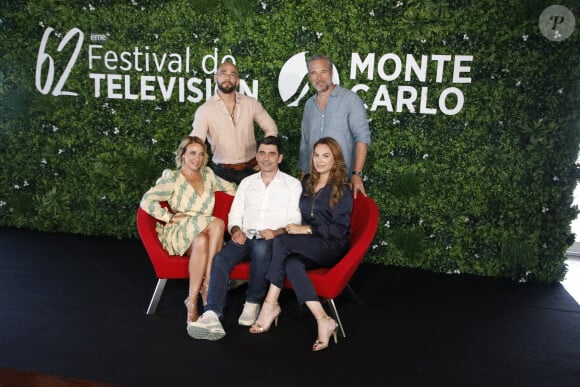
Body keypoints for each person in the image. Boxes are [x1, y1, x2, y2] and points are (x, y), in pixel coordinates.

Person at [187, 136, 302, 341]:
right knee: (221, 259)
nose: (266, 158)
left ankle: (253, 301)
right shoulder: (247, 183)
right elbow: (235, 213)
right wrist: (236, 230)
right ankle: (212, 313)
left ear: (280, 157)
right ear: (257, 156)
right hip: (245, 236)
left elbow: (295, 219)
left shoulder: (292, 185)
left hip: (272, 238)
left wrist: (275, 232)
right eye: (262, 153)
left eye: (271, 154)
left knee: (261, 249)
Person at [249, 137, 353, 352]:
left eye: (326, 156)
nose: (320, 160)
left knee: (283, 242)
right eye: (316, 155)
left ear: (336, 159)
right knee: (292, 264)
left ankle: (270, 304)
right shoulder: (306, 181)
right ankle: (323, 319)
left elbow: (339, 231)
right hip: (307, 244)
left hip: (330, 245)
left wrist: (305, 229)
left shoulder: (343, 190)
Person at [139, 136, 237, 325]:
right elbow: (146, 200)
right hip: (181, 231)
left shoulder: (208, 174)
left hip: (204, 236)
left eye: (201, 154)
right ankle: (208, 285)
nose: (197, 158)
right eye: (192, 153)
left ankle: (191, 301)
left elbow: (231, 188)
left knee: (202, 239)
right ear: (182, 155)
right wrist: (169, 217)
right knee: (217, 224)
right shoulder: (173, 178)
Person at [190, 61, 278, 185]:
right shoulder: (205, 110)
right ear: (216, 78)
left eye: (232, 74)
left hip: (253, 169)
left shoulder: (251, 103)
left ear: (237, 81)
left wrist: (264, 158)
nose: (227, 77)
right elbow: (196, 142)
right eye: (223, 73)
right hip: (222, 173)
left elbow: (271, 128)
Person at [299, 53, 371, 198]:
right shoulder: (309, 105)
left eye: (323, 72)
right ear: (309, 77)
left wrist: (356, 173)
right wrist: (303, 176)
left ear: (331, 72)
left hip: (341, 181)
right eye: (314, 73)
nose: (319, 78)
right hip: (313, 182)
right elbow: (306, 142)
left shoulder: (350, 100)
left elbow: (362, 138)